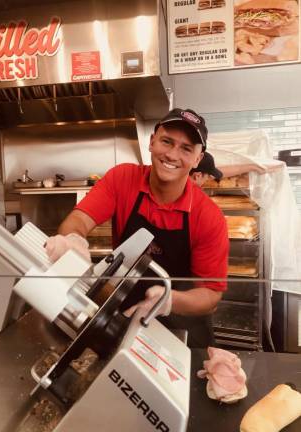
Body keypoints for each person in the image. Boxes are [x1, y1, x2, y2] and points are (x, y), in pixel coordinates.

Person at [45, 108, 229, 348]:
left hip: (180, 321)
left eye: (186, 148)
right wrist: (73, 239)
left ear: (197, 158)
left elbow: (211, 295)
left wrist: (168, 300)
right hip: (123, 308)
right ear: (152, 142)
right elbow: (79, 219)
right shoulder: (122, 179)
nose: (172, 155)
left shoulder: (208, 217)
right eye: (166, 141)